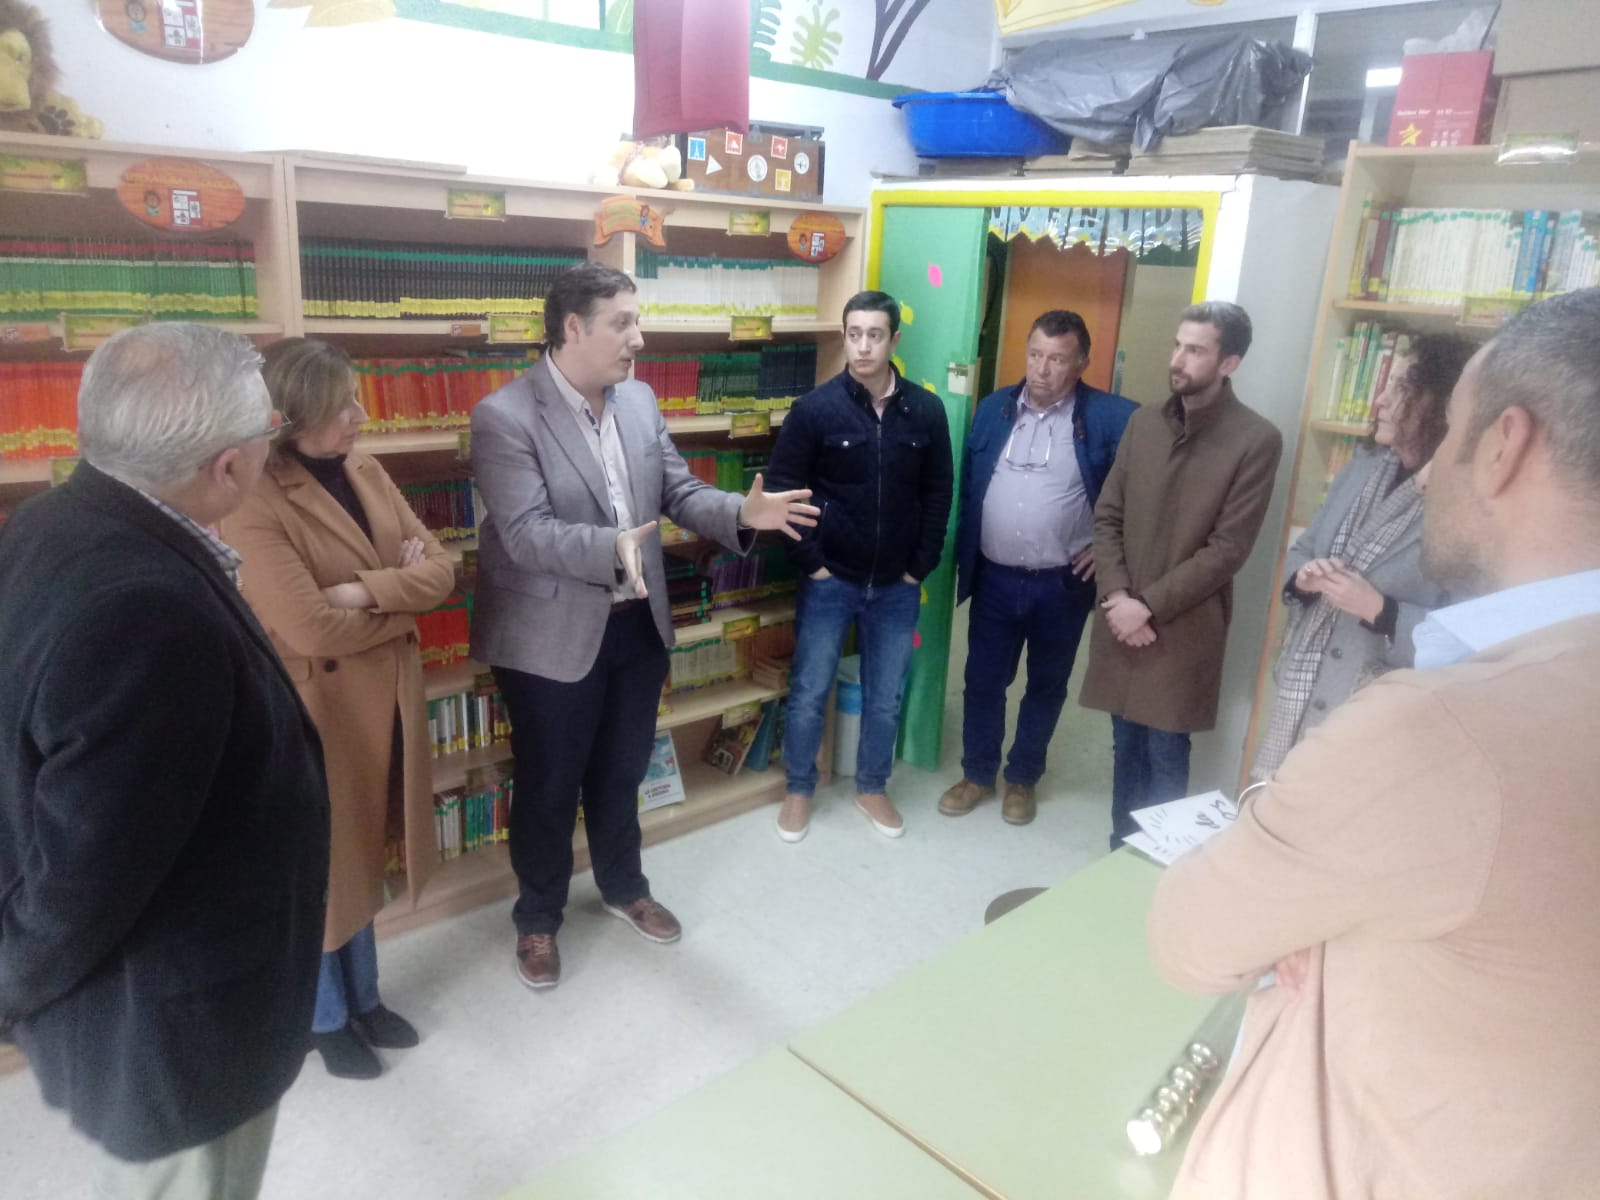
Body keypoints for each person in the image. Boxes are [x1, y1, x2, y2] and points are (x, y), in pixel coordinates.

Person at [1147, 286, 1600, 1200]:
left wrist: (1306, 922)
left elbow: (1187, 937)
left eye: (1454, 441)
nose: (1430, 476)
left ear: (1503, 447)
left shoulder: (1437, 734)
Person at [0, 324, 328, 1198]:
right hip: (174, 1041)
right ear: (228, 467)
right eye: (268, 431)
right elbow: (86, 878)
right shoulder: (149, 612)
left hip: (138, 1017)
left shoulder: (50, 520)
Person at [470, 262, 816, 991]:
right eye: (622, 322)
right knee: (548, 783)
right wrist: (613, 546)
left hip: (636, 624)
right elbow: (527, 533)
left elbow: (679, 491)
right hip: (550, 636)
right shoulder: (504, 417)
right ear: (573, 328)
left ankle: (624, 884)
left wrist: (739, 515)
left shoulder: (640, 401)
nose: (639, 337)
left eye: (638, 320)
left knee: (622, 769)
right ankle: (538, 917)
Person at [222, 338, 456, 1080]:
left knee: (361, 854)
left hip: (383, 694)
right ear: (289, 421)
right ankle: (325, 1018)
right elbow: (306, 627)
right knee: (325, 867)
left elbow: (443, 568)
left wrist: (360, 591)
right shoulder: (251, 498)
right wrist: (398, 593)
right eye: (342, 407)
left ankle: (365, 997)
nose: (361, 416)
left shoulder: (365, 465)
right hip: (314, 712)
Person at [1079, 302, 1282, 848]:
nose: (1178, 359)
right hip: (1123, 617)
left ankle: (1160, 870)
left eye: (1196, 350)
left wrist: (1146, 606)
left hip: (1182, 629)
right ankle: (1119, 853)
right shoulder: (1144, 422)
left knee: (1166, 752)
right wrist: (1119, 596)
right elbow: (1108, 515)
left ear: (1229, 362)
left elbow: (1227, 549)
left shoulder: (1255, 439)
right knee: (1125, 745)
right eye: (1177, 345)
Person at [765, 290, 954, 842]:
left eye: (875, 334)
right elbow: (781, 493)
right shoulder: (814, 410)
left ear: (895, 340)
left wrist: (921, 565)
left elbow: (939, 492)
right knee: (809, 690)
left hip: (897, 583)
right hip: (832, 580)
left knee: (886, 693)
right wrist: (813, 565)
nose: (863, 346)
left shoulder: (926, 410)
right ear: (845, 335)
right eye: (854, 334)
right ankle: (799, 789)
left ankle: (873, 786)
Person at [942, 310, 1135, 825]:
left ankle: (1023, 778)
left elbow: (1148, 491)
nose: (1042, 369)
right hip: (996, 577)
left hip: (1064, 583)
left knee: (1046, 685)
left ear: (1081, 364)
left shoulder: (1113, 418)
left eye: (1057, 359)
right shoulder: (992, 409)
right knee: (982, 680)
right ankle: (977, 774)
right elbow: (968, 485)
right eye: (1034, 355)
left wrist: (1111, 545)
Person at [1252, 332, 1474, 779]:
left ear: (1441, 403)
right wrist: (1305, 578)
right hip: (1300, 686)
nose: (1380, 401)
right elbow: (1304, 549)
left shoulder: (1463, 503)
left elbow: (1469, 633)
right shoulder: (1363, 467)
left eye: (1399, 388)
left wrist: (1381, 609)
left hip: (1378, 715)